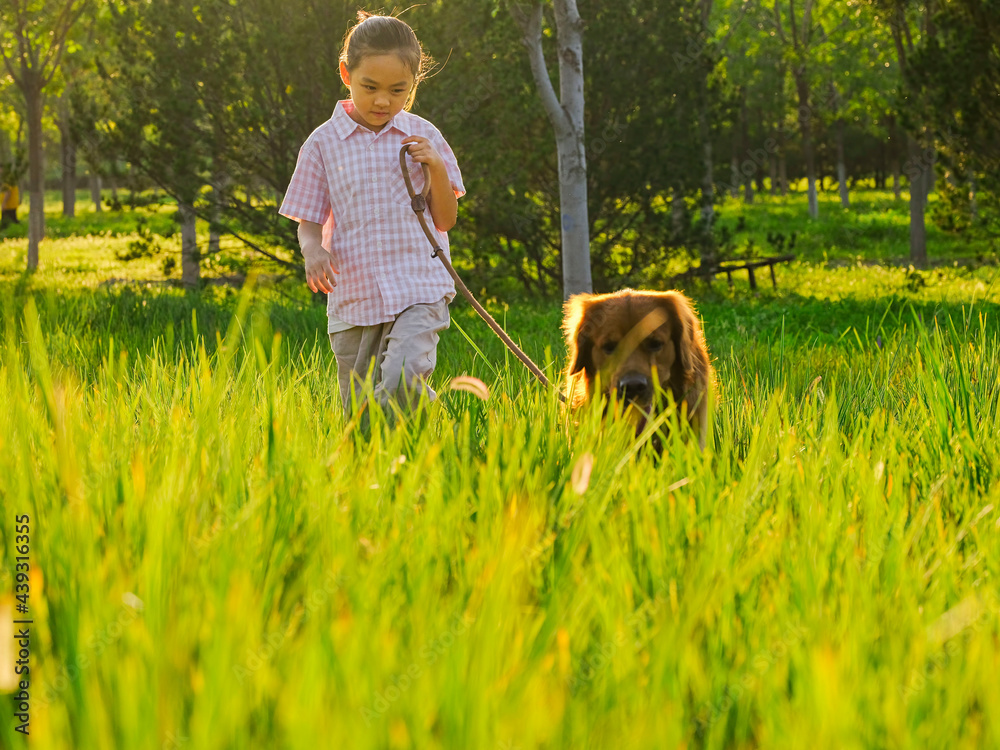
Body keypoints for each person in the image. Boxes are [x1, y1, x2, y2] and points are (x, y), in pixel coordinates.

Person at [279, 11, 464, 416]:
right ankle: (391, 468)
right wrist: (313, 251)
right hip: (354, 298)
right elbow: (308, 220)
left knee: (401, 381)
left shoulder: (424, 136)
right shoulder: (322, 145)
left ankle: (437, 432)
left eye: (398, 90)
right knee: (361, 416)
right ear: (346, 73)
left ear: (414, 83)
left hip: (419, 289)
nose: (383, 100)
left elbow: (445, 221)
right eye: (370, 87)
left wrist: (435, 166)